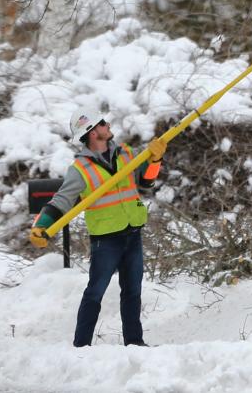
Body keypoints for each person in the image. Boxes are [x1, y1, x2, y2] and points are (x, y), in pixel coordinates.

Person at [28, 110, 167, 347]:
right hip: (106, 240)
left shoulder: (125, 153)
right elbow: (61, 200)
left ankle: (135, 343)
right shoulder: (80, 169)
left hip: (132, 232)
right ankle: (81, 346)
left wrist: (155, 160)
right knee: (95, 292)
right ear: (93, 132)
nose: (108, 124)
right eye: (103, 123)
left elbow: (146, 184)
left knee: (132, 292)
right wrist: (41, 225)